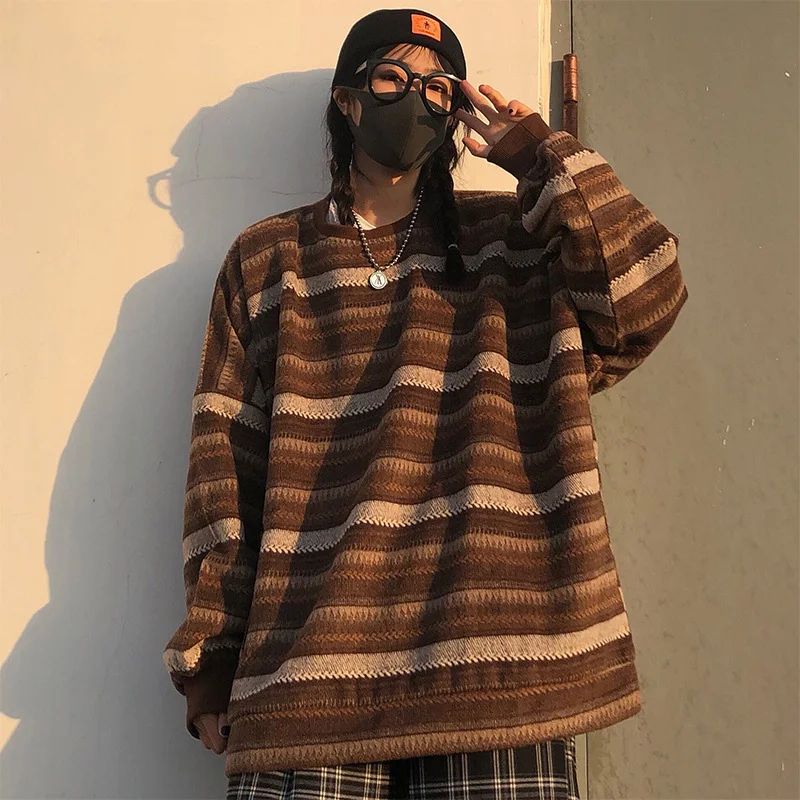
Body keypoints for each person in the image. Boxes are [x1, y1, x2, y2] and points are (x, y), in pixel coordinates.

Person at [162, 8, 688, 800]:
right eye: (391, 79)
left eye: (439, 88)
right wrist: (212, 656)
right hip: (313, 674)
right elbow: (224, 466)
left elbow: (645, 299)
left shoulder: (517, 242)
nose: (415, 98)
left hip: (501, 670)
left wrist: (541, 155)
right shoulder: (270, 260)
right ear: (347, 101)